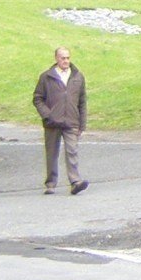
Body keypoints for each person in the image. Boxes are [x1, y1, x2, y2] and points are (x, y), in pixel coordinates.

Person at [32, 46, 88, 195]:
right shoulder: (46, 77)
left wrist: (82, 123)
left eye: (68, 58)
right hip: (52, 122)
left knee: (72, 151)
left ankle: (75, 181)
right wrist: (47, 114)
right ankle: (50, 183)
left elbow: (82, 101)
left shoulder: (78, 77)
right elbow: (37, 98)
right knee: (51, 154)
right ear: (56, 58)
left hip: (71, 121)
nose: (66, 61)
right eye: (63, 58)